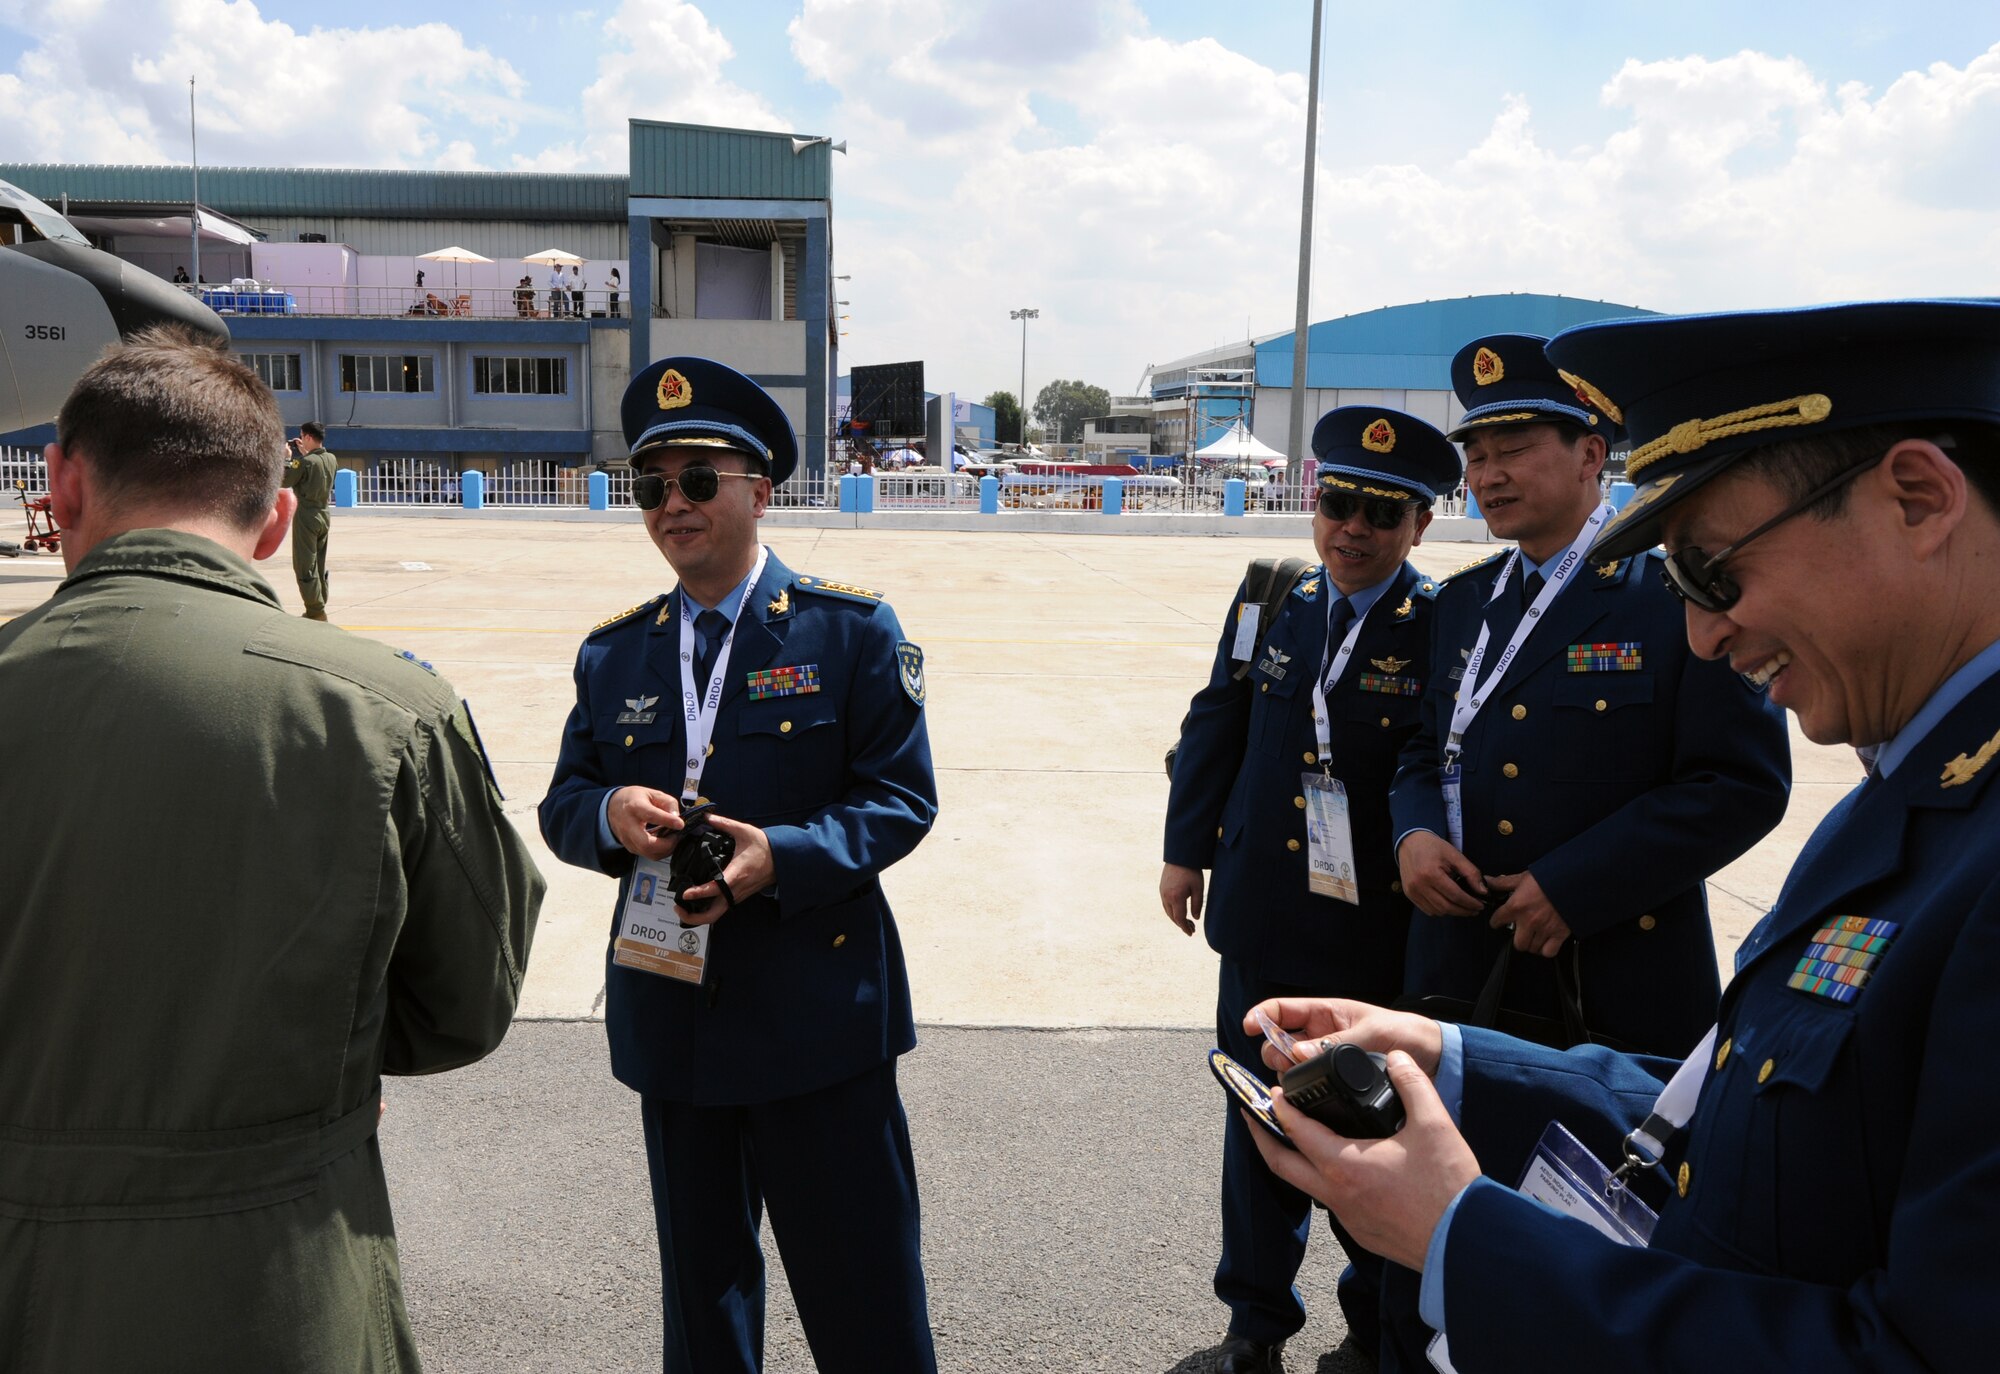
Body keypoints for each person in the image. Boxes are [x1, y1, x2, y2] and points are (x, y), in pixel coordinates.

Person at [1246, 297, 2000, 1374]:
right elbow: (1753, 1130)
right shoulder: (1908, 796)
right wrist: (1455, 1058)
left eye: (1713, 570)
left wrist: (1468, 1239)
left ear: (1917, 499)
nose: (1701, 629)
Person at [0, 327, 543, 1372]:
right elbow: (465, 1007)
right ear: (274, 519)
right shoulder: (387, 712)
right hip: (278, 1291)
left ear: (63, 487)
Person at [539, 356, 940, 1374]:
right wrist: (611, 813)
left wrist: (783, 858)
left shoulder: (848, 632)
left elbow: (900, 798)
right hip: (672, 1018)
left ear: (759, 491)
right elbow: (562, 803)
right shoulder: (614, 652)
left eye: (698, 480)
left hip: (816, 1019)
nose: (673, 505)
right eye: (652, 486)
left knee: (863, 1298)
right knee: (702, 1301)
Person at [1390, 333, 1790, 1060]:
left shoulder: (1674, 598)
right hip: (1460, 965)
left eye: (1512, 450)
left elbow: (1740, 784)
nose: (1488, 476)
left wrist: (1578, 887)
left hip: (1613, 976)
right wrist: (1413, 834)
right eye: (1476, 457)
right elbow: (1425, 745)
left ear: (1590, 455)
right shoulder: (1464, 601)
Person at [1164, 406, 1459, 1372]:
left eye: (1383, 511)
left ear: (1420, 524)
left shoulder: (1441, 629)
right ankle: (1254, 1326)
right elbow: (1216, 724)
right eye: (1338, 502)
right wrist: (1184, 852)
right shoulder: (1270, 595)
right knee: (1255, 1126)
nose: (1353, 529)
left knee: (1365, 1130)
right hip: (1258, 915)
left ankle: (1372, 1327)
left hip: (1368, 939)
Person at [280, 419, 338, 621]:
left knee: (305, 564)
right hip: (324, 514)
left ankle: (315, 610)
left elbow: (285, 480)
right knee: (319, 563)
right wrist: (305, 453)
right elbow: (315, 465)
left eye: (303, 436)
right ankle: (320, 601)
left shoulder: (303, 463)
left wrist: (287, 458)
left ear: (308, 437)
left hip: (307, 515)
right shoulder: (331, 458)